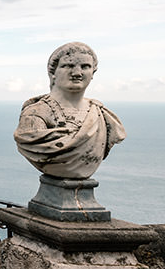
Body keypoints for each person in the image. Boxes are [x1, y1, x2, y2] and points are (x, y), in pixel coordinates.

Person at [14, 41, 125, 179]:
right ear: (53, 72)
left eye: (85, 66)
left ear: (92, 73)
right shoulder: (35, 114)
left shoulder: (101, 114)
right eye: (69, 66)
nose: (77, 73)